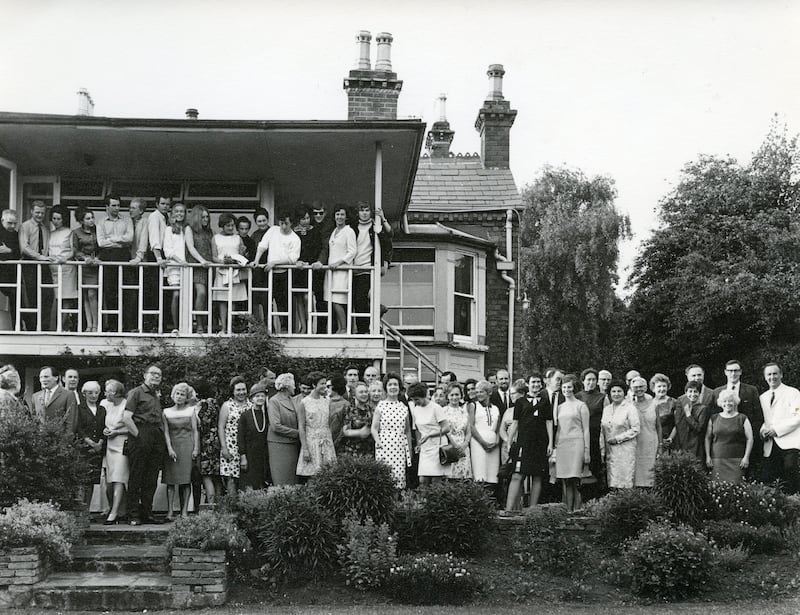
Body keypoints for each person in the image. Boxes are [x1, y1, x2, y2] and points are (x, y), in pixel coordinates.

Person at [121, 364, 166, 525]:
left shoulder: (155, 395)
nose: (156, 377)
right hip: (140, 434)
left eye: (159, 375)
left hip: (155, 436)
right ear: (145, 375)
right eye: (153, 374)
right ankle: (133, 515)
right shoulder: (136, 393)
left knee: (151, 477)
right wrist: (139, 437)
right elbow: (126, 418)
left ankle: (147, 512)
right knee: (136, 476)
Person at [504, 378, 553, 513]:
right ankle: (508, 510)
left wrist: (550, 443)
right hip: (523, 442)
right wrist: (509, 442)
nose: (536, 385)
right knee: (517, 475)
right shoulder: (520, 402)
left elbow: (549, 423)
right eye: (533, 382)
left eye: (538, 382)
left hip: (540, 443)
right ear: (528, 384)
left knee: (537, 476)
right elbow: (515, 423)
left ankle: (532, 511)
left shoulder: (545, 402)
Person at [251, 210, 301, 334]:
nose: (283, 226)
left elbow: (292, 259)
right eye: (282, 223)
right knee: (267, 300)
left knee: (284, 302)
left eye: (287, 224)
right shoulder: (273, 230)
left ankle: (286, 329)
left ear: (292, 224)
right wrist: (256, 260)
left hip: (285, 273)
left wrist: (275, 263)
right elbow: (262, 245)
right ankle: (269, 329)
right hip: (270, 273)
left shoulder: (295, 239)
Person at [712, 359, 763, 471]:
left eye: (736, 370)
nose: (733, 374)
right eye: (730, 371)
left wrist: (750, 436)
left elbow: (758, 416)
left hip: (745, 441)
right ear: (725, 372)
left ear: (740, 372)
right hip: (723, 443)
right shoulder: (716, 392)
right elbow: (714, 418)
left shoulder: (751, 390)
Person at [313, 204, 356, 334]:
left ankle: (343, 328)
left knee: (338, 301)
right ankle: (339, 328)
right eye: (337, 214)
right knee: (331, 300)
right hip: (331, 271)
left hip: (341, 271)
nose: (339, 217)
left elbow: (352, 251)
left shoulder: (349, 231)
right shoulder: (334, 231)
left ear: (346, 217)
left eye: (342, 214)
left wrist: (339, 262)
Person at [350, 201, 391, 334]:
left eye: (367, 210)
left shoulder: (375, 227)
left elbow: (389, 237)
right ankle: (377, 312)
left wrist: (383, 219)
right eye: (362, 210)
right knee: (356, 300)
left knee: (360, 299)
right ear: (358, 213)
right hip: (353, 269)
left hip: (367, 269)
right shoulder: (353, 228)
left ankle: (363, 330)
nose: (364, 213)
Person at [760, 362, 800, 493]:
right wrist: (763, 431)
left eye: (775, 373)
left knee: (790, 472)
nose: (772, 377)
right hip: (770, 444)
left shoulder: (793, 393)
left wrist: (776, 431)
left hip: (789, 442)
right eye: (769, 374)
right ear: (765, 377)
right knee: (769, 478)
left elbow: (797, 417)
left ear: (781, 375)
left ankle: (795, 503)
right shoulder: (763, 397)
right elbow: (765, 420)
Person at [161, 382, 199, 520]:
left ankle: (184, 512)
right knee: (170, 481)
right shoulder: (166, 412)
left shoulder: (191, 411)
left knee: (185, 480)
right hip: (172, 446)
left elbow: (195, 431)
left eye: (182, 394)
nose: (179, 396)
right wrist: (169, 448)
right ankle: (170, 511)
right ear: (173, 395)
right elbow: (165, 432)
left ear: (186, 397)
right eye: (177, 393)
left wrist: (196, 448)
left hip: (187, 446)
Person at [96, 195, 133, 332]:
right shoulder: (101, 223)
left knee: (126, 291)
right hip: (107, 256)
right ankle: (112, 325)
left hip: (123, 255)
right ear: (107, 207)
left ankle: (126, 325)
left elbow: (129, 238)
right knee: (110, 292)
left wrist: (112, 239)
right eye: (114, 205)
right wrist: (119, 241)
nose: (117, 208)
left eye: (118, 205)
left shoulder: (126, 220)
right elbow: (101, 242)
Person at [554, 375, 590, 512]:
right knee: (566, 480)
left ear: (573, 388)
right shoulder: (560, 407)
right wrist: (555, 448)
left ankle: (578, 509)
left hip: (576, 444)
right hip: (563, 445)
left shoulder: (581, 406)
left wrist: (587, 450)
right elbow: (558, 429)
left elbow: (586, 429)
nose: (566, 390)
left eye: (569, 387)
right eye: (564, 387)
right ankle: (568, 510)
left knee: (576, 479)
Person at [372, 373, 412, 489]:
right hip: (384, 446)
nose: (393, 387)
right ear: (386, 388)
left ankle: (397, 505)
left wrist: (409, 449)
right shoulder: (381, 406)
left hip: (399, 446)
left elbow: (407, 431)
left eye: (395, 384)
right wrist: (378, 441)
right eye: (390, 385)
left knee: (398, 480)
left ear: (399, 387)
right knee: (384, 480)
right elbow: (374, 429)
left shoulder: (403, 407)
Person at [705, 389, 753, 484]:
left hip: (737, 460)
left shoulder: (742, 418)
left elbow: (750, 438)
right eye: (725, 401)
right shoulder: (714, 418)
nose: (727, 403)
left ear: (735, 402)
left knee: (736, 488)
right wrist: (708, 456)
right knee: (717, 487)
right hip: (717, 459)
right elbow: (707, 438)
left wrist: (746, 457)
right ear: (721, 403)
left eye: (730, 401)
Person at [18, 200, 52, 331]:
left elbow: (47, 248)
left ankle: (44, 327)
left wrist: (46, 258)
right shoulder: (25, 226)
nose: (40, 215)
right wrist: (40, 257)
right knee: (31, 296)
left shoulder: (45, 228)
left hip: (44, 265)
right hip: (30, 264)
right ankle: (32, 327)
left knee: (47, 295)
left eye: (42, 213)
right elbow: (24, 247)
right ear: (32, 211)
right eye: (37, 212)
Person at [600, 380, 640, 489]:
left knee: (625, 480)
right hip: (610, 450)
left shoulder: (630, 408)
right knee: (612, 481)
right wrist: (602, 449)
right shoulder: (606, 409)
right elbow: (602, 429)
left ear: (624, 393)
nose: (616, 394)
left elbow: (636, 429)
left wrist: (618, 439)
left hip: (625, 449)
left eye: (619, 391)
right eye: (613, 391)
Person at [72, 380, 106, 508]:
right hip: (83, 449)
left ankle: (87, 509)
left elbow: (104, 427)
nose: (93, 395)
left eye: (96, 392)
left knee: (92, 481)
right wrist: (90, 442)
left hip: (97, 449)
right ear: (84, 394)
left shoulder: (102, 409)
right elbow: (78, 428)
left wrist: (100, 443)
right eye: (90, 392)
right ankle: (80, 508)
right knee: (82, 480)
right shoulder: (79, 408)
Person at [296, 371, 336, 479]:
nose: (324, 387)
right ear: (314, 385)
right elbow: (301, 426)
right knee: (313, 475)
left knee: (328, 474)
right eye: (322, 384)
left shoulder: (327, 401)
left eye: (325, 384)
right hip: (312, 442)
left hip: (326, 440)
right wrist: (305, 449)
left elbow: (330, 423)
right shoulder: (304, 402)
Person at [212, 213, 248, 332]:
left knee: (233, 299)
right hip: (222, 271)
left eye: (232, 225)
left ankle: (230, 326)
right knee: (222, 299)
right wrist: (223, 261)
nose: (231, 228)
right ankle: (223, 327)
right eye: (228, 225)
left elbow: (242, 255)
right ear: (222, 226)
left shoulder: (238, 238)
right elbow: (214, 256)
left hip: (234, 272)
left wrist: (239, 256)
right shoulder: (216, 238)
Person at [408, 382, 449, 485]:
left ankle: (436, 501)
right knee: (423, 480)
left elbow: (446, 428)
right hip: (425, 448)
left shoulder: (436, 408)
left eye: (417, 399)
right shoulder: (416, 410)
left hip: (438, 447)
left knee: (436, 480)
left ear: (423, 396)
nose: (415, 402)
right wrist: (418, 444)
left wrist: (430, 435)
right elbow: (417, 429)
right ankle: (424, 501)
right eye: (413, 399)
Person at [101, 379, 129, 524]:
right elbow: (100, 422)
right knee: (109, 480)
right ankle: (116, 508)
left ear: (116, 393)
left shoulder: (126, 405)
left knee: (119, 478)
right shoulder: (104, 404)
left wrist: (117, 432)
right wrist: (104, 430)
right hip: (108, 445)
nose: (105, 393)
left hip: (122, 445)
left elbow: (132, 427)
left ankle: (114, 512)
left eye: (108, 391)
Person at [185, 205, 215, 333]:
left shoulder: (209, 231)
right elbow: (191, 247)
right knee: (201, 293)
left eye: (207, 217)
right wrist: (201, 260)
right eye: (203, 217)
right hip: (197, 266)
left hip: (209, 266)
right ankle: (199, 324)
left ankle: (209, 324)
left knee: (209, 295)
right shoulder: (189, 229)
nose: (206, 219)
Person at [292, 204, 322, 334]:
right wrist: (297, 261)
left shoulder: (315, 231)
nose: (306, 221)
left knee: (307, 297)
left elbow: (317, 248)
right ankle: (303, 326)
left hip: (310, 268)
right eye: (303, 218)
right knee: (298, 297)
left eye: (308, 218)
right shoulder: (293, 232)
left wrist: (309, 262)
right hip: (298, 269)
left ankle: (310, 325)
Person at [218, 376, 250, 495]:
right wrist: (224, 448)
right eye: (238, 390)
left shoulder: (250, 405)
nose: (241, 392)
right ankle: (231, 507)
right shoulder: (227, 406)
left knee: (246, 478)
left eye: (243, 389)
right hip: (230, 446)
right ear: (233, 391)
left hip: (246, 448)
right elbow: (221, 427)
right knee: (231, 479)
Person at [47, 204, 77, 331]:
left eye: (59, 219)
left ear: (64, 219)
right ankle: (56, 326)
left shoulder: (69, 232)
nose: (56, 221)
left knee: (66, 298)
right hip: (53, 269)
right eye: (54, 218)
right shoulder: (50, 233)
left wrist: (65, 258)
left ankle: (63, 326)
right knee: (56, 298)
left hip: (66, 269)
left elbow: (73, 250)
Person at [267, 373, 301, 485]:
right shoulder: (274, 401)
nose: (295, 388)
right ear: (287, 386)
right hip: (279, 445)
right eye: (293, 385)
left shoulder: (293, 400)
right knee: (282, 479)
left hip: (293, 445)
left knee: (292, 479)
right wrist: (297, 433)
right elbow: (276, 426)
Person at [576, 367, 606, 485]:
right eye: (588, 380)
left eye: (594, 380)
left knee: (595, 470)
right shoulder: (577, 396)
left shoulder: (602, 397)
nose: (591, 382)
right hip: (579, 436)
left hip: (595, 437)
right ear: (583, 381)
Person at [469, 380, 501, 492]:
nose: (478, 394)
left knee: (492, 474)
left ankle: (491, 502)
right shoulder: (474, 406)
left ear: (489, 393)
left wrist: (497, 441)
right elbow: (471, 426)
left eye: (481, 392)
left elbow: (498, 427)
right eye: (477, 392)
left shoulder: (496, 408)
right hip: (478, 443)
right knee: (480, 472)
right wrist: (482, 442)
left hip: (493, 446)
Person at [145, 195, 171, 332]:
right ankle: (156, 324)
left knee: (164, 292)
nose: (165, 206)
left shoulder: (165, 217)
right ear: (157, 204)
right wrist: (158, 258)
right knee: (156, 291)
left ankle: (163, 324)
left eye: (167, 203)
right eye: (162, 203)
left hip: (163, 255)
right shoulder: (155, 217)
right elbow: (155, 238)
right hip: (156, 256)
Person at [193, 380, 221, 504]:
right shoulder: (216, 403)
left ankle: (210, 506)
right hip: (217, 442)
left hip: (206, 444)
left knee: (206, 476)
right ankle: (219, 507)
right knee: (217, 477)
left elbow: (203, 425)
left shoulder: (203, 406)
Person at [630, 376, 661, 487]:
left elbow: (658, 426)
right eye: (636, 387)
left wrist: (660, 446)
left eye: (641, 386)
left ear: (646, 387)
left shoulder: (654, 404)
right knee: (637, 473)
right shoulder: (630, 405)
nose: (639, 389)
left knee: (651, 473)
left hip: (651, 441)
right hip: (636, 443)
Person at [238, 383, 271, 490]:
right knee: (250, 484)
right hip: (250, 454)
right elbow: (240, 438)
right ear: (251, 399)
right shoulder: (245, 415)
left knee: (264, 482)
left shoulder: (268, 414)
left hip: (264, 454)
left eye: (262, 396)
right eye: (257, 396)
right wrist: (243, 457)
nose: (260, 398)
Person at [72, 207, 99, 332]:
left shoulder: (98, 230)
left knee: (93, 294)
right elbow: (76, 250)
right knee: (85, 295)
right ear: (81, 221)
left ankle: (96, 325)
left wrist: (98, 258)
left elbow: (103, 246)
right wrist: (84, 258)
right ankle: (89, 324)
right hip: (84, 267)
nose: (91, 220)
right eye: (88, 218)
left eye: (92, 217)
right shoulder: (76, 233)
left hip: (96, 266)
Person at [162, 203, 188, 333]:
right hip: (175, 267)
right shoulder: (168, 229)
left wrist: (185, 262)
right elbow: (167, 250)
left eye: (182, 211)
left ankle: (186, 326)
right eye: (176, 211)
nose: (179, 214)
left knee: (187, 295)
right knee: (176, 295)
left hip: (187, 267)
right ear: (172, 213)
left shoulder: (187, 229)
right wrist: (180, 261)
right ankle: (176, 326)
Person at [442, 382, 472, 479]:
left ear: (461, 395)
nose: (454, 397)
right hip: (450, 447)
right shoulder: (443, 411)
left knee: (463, 479)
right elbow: (444, 431)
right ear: (447, 396)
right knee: (450, 478)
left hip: (463, 448)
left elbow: (468, 431)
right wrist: (454, 445)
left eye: (457, 394)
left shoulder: (464, 412)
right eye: (452, 395)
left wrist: (465, 443)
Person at [671, 381, 708, 460]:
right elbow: (677, 424)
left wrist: (689, 415)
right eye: (690, 391)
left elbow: (699, 428)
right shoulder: (682, 406)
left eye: (695, 392)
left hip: (695, 445)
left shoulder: (702, 408)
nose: (693, 394)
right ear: (685, 392)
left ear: (699, 393)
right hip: (682, 443)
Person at [310, 203, 331, 333]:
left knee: (323, 300)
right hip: (310, 267)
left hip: (322, 268)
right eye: (315, 213)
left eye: (321, 213)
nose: (318, 215)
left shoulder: (328, 227)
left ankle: (322, 330)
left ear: (326, 213)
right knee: (307, 298)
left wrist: (320, 261)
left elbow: (326, 247)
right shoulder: (309, 226)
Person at [341, 381, 374, 457]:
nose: (364, 394)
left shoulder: (371, 409)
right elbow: (344, 431)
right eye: (361, 392)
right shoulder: (348, 409)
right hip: (352, 451)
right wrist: (360, 432)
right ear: (354, 395)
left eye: (366, 392)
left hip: (369, 452)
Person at [250, 208, 271, 324]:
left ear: (268, 220)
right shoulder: (254, 235)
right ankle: (257, 326)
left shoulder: (273, 232)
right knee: (257, 299)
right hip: (258, 272)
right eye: (259, 221)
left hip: (269, 269)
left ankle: (269, 326)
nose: (262, 223)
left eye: (264, 220)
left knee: (267, 299)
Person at [0, 210, 20, 330]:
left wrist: (9, 251)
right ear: (2, 221)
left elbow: (19, 252)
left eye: (14, 223)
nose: (12, 226)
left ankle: (15, 327)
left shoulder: (16, 235)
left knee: (15, 299)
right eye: (9, 223)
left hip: (11, 274)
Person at [650, 373, 676, 449]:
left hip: (669, 441)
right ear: (653, 389)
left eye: (664, 386)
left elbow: (677, 424)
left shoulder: (674, 402)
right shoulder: (648, 403)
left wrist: (670, 438)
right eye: (659, 386)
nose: (662, 389)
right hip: (652, 441)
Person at [328, 374, 350, 453]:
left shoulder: (345, 405)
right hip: (334, 441)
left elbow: (346, 425)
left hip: (337, 444)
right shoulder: (325, 402)